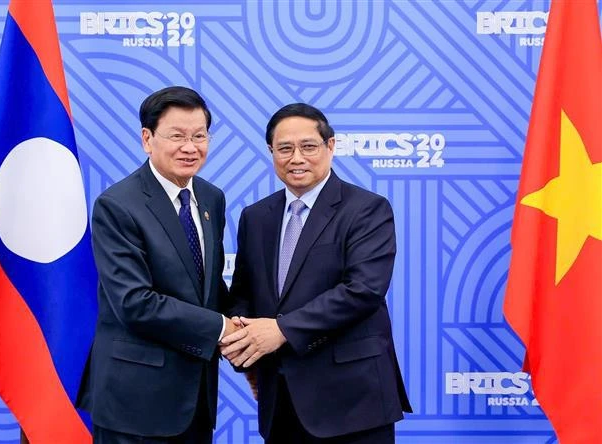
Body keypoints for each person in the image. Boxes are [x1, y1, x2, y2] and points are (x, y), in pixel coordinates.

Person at [221, 103, 412, 443]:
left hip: (353, 402)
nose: (297, 158)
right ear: (271, 152)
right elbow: (244, 292)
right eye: (285, 148)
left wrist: (281, 329)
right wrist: (242, 335)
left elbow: (363, 291)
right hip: (280, 398)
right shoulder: (256, 216)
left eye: (308, 146)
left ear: (331, 146)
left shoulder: (367, 209)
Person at [77, 86, 237, 443]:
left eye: (199, 136)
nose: (190, 147)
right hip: (135, 403)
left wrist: (247, 328)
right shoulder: (118, 205)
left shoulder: (212, 197)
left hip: (195, 399)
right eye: (176, 136)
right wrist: (222, 328)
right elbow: (134, 303)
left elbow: (207, 287)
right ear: (147, 139)